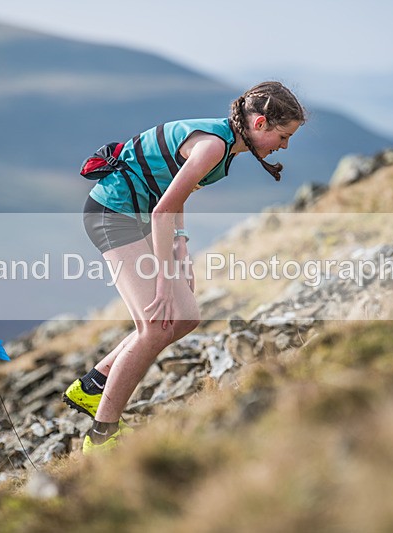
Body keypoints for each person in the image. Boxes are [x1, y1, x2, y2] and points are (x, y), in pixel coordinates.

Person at [63, 81, 306, 453]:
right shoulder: (213, 146)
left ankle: (94, 385)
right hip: (113, 215)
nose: (285, 146)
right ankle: (102, 435)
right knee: (157, 325)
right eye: (283, 135)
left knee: (186, 315)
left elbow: (171, 193)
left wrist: (181, 248)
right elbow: (162, 210)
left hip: (138, 216)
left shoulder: (222, 144)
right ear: (259, 125)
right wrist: (164, 280)